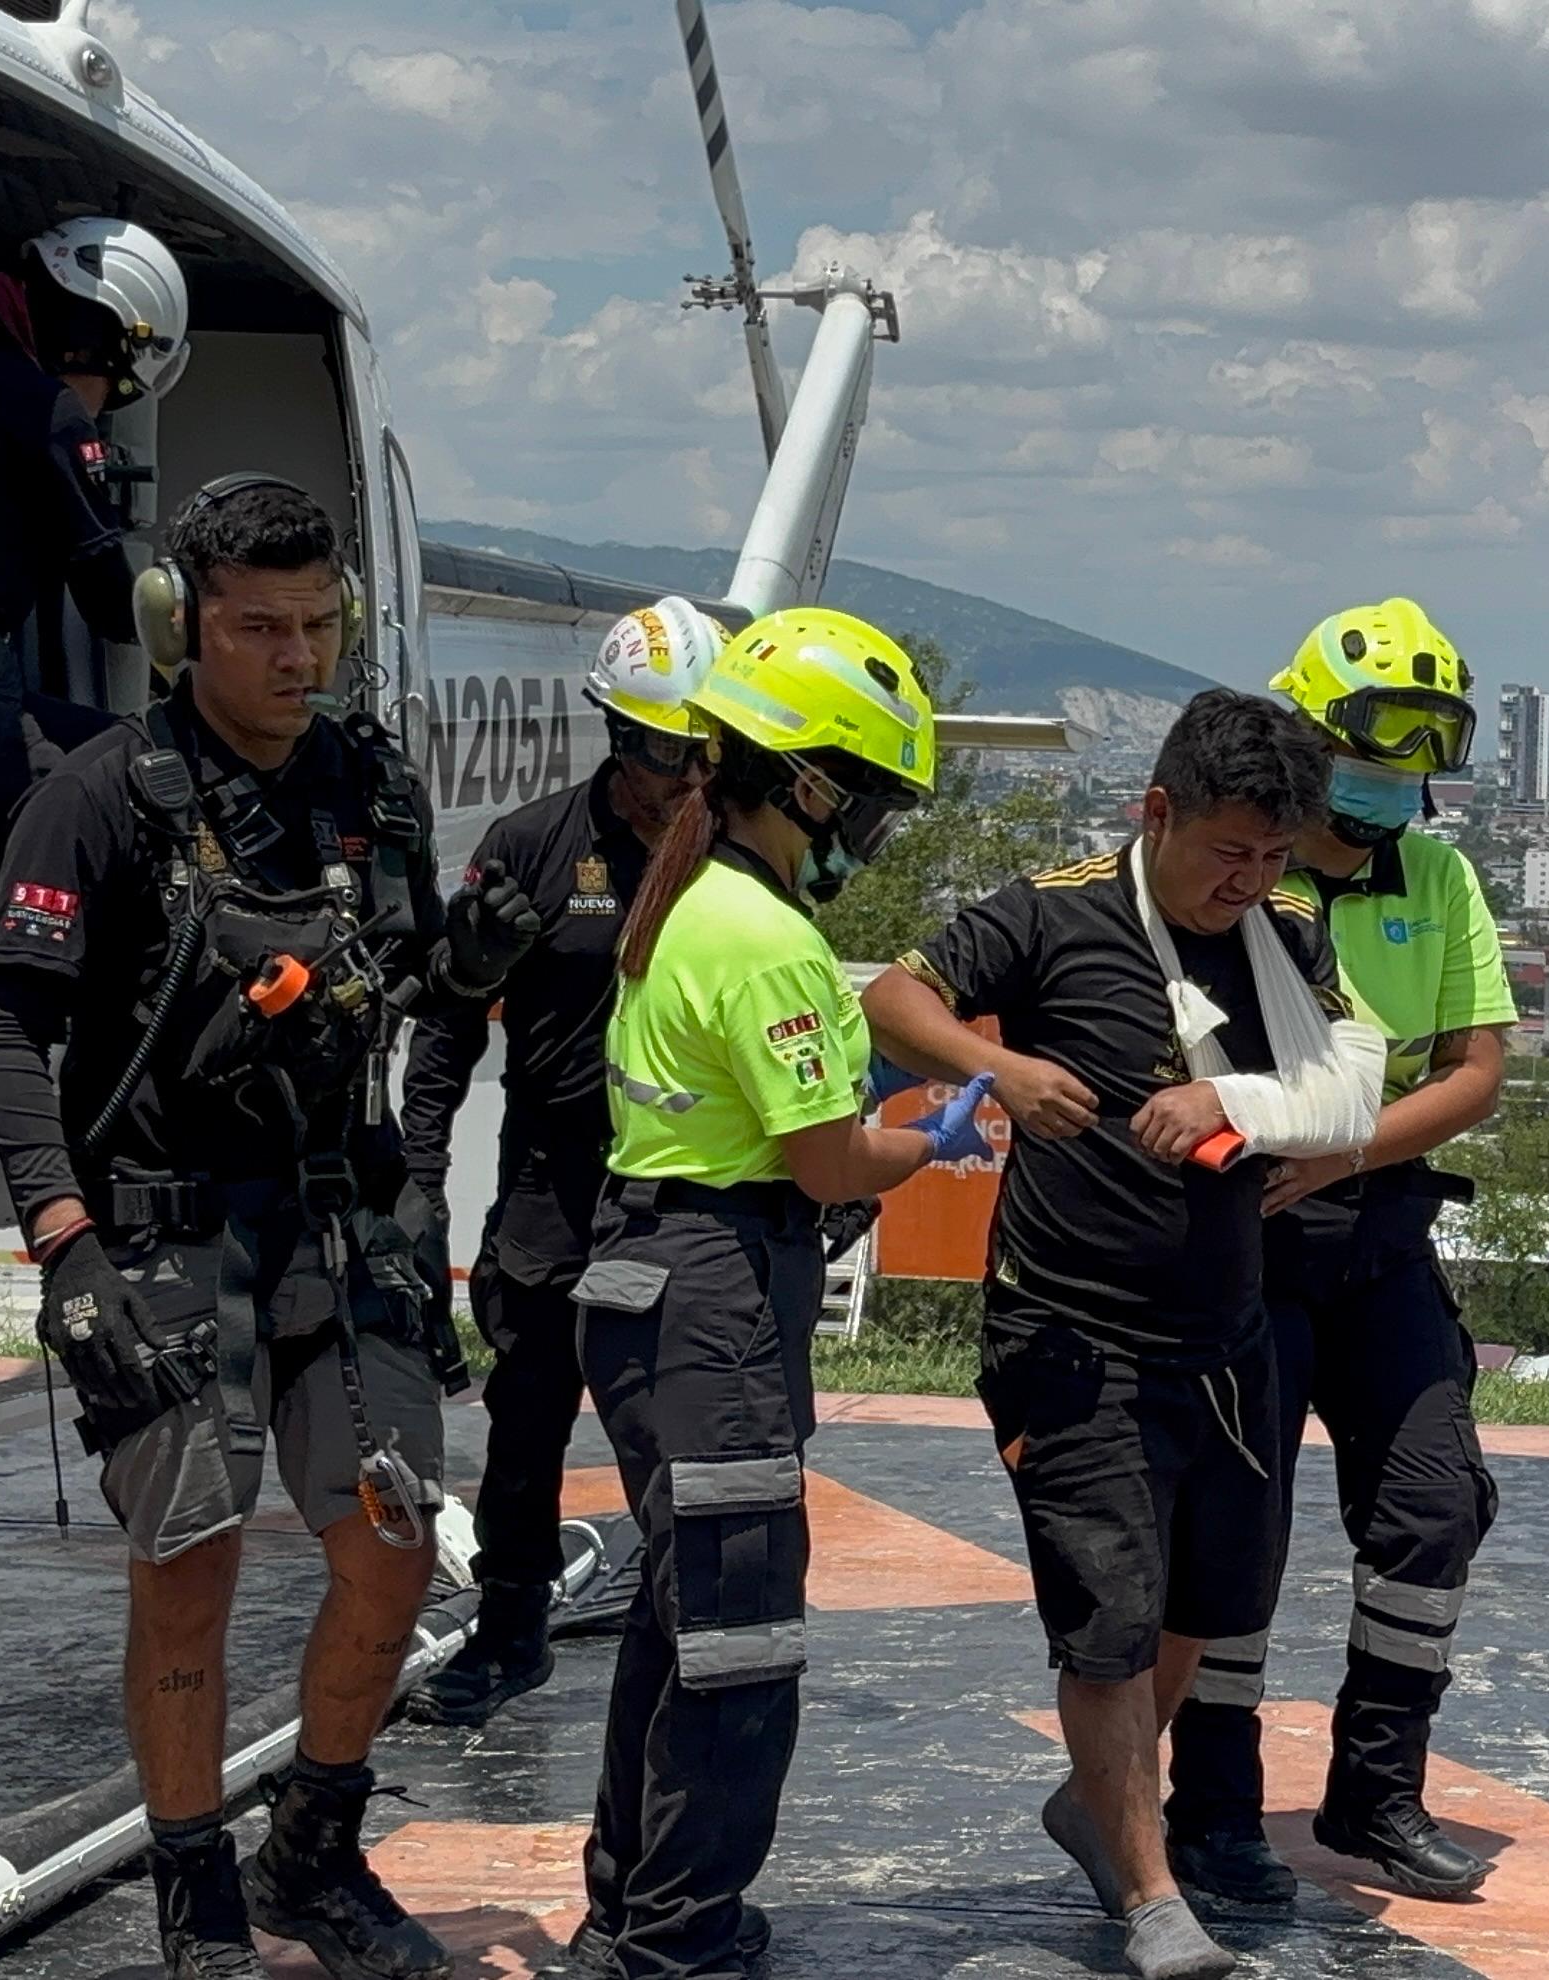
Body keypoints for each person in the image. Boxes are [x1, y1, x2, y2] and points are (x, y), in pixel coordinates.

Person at [0, 478, 499, 1980]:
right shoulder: (96, 796)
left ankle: (312, 1857)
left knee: (393, 1550)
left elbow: (410, 981)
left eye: (318, 626)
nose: (295, 657)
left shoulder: (374, 789)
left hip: (342, 1232)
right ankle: (194, 1900)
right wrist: (61, 1237)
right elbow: (9, 1025)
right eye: (259, 627)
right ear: (181, 624)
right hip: (159, 1239)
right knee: (187, 1562)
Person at [866, 690, 1364, 1980]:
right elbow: (893, 996)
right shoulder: (1052, 909)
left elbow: (1347, 1084)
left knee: (1207, 1601)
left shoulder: (1288, 934)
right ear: (1156, 814)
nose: (1248, 883)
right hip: (1071, 1331)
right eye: (1226, 855)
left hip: (1228, 1331)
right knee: (1107, 1617)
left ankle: (1098, 1803)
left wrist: (1254, 1112)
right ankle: (1152, 1900)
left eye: (1273, 858)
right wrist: (1007, 1075)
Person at [574, 604, 987, 1980]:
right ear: (811, 782)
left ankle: (635, 1904)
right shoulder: (768, 940)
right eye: (866, 794)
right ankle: (678, 1942)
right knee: (738, 1637)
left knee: (678, 1618)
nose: (869, 821)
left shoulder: (683, 903)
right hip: (717, 1300)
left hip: (650, 1275)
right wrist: (929, 1134)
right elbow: (820, 1165)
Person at [1164, 600, 1510, 1904]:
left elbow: (1475, 1073)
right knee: (1233, 1538)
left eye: (1422, 756)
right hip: (1244, 1246)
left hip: (1378, 1233)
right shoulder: (1231, 871)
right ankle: (1213, 1813)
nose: (1392, 784)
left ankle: (1379, 1793)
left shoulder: (1439, 878)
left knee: (1433, 1510)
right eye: (1374, 749)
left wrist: (1346, 1150)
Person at [394, 597, 718, 1730]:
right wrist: (420, 1180)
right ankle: (510, 1625)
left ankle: (687, 1633)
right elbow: (447, 1022)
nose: (676, 778)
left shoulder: (731, 857)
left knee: (677, 1424)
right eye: (658, 751)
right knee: (526, 1416)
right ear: (615, 736)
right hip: (551, 1184)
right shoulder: (533, 846)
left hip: (685, 1191)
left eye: (698, 753)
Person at [0, 216, 190, 989]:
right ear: (95, 340)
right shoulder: (47, 408)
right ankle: (5, 971)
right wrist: (200, 636)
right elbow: (103, 595)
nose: (103, 405)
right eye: (119, 383)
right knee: (107, 773)